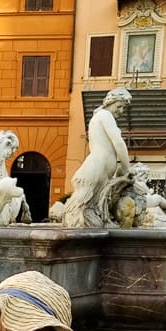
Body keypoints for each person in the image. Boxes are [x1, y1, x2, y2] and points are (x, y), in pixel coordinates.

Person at [62, 88, 132, 228]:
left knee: (95, 204)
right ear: (110, 102)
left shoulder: (100, 116)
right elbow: (118, 142)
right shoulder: (105, 115)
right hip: (97, 167)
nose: (121, 111)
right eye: (119, 106)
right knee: (84, 204)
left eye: (123, 108)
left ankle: (99, 222)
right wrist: (126, 168)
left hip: (100, 167)